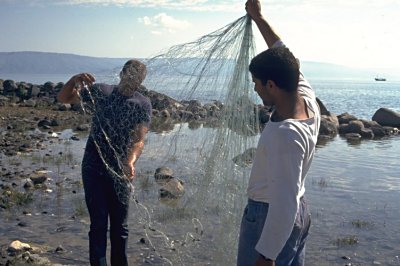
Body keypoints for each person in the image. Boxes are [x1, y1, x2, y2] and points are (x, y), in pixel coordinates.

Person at [237, 1, 321, 266]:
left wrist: (266, 255)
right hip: (301, 210)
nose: (255, 90)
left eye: (257, 84)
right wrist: (259, 18)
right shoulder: (305, 95)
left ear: (271, 84)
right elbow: (281, 52)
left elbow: (283, 205)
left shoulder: (285, 135)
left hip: (269, 216)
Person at [57, 59, 152, 266]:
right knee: (98, 224)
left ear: (142, 81)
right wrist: (74, 80)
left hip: (121, 170)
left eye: (138, 79)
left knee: (120, 228)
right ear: (122, 74)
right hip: (93, 167)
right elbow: (64, 98)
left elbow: (139, 139)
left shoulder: (142, 104)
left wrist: (131, 161)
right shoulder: (102, 91)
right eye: (130, 76)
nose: (133, 82)